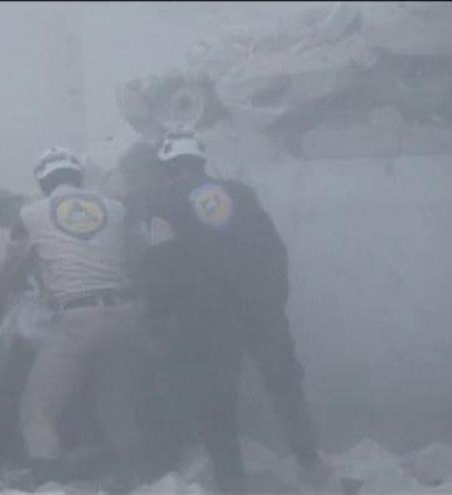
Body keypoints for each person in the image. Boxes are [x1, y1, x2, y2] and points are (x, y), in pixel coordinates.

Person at [140, 128, 331, 493]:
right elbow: (274, 250)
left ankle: (231, 482)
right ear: (202, 161)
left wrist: (157, 312)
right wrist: (272, 300)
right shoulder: (242, 194)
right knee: (284, 385)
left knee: (216, 400)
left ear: (167, 169)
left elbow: (160, 264)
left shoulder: (164, 206)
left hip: (207, 318)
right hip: (260, 309)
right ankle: (311, 465)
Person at [4, 146, 146, 492]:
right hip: (126, 315)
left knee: (37, 407)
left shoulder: (30, 214)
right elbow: (138, 256)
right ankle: (136, 479)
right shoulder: (116, 208)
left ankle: (51, 482)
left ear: (42, 181)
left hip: (76, 319)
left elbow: (10, 268)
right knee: (115, 402)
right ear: (78, 176)